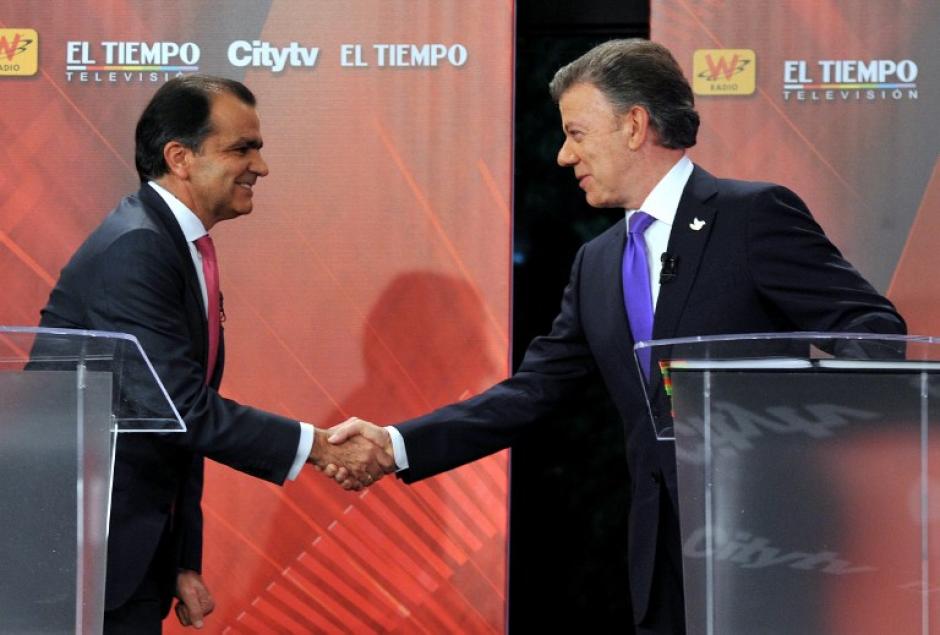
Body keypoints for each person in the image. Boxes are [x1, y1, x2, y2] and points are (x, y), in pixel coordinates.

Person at [323, 40, 906, 634]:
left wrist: (792, 432)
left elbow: (872, 331)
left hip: (774, 544)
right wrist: (395, 444)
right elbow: (532, 392)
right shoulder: (597, 263)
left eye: (576, 133)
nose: (563, 155)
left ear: (634, 126)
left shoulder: (750, 216)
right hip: (663, 559)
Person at [37, 75, 393, 633]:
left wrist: (180, 558)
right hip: (75, 562)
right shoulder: (138, 248)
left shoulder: (173, 243)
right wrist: (318, 447)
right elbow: (181, 408)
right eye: (242, 149)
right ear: (179, 157)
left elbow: (171, 419)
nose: (261, 167)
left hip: (128, 555)